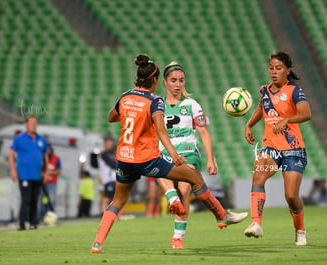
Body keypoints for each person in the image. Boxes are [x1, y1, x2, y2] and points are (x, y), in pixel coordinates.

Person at [91, 54, 247, 253]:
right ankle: (220, 214)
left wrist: (131, 113)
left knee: (118, 201)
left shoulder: (125, 96)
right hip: (147, 158)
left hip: (123, 158)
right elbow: (161, 130)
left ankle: (98, 243)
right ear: (156, 81)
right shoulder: (155, 101)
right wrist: (173, 154)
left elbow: (111, 117)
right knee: (194, 177)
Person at [243, 51, 311, 246]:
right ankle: (256, 223)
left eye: (278, 68)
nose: (273, 72)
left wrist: (287, 119)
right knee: (258, 176)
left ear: (288, 70)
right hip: (270, 147)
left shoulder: (294, 90)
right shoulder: (265, 90)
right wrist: (249, 125)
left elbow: (306, 113)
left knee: (291, 196)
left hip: (293, 149)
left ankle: (300, 230)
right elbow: (261, 107)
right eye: (271, 68)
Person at [156, 62, 218, 249]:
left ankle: (177, 237)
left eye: (181, 80)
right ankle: (172, 198)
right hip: (166, 152)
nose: (178, 84)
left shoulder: (192, 105)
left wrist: (211, 159)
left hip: (188, 153)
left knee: (185, 189)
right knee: (157, 169)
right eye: (173, 80)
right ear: (165, 82)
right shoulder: (157, 105)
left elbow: (204, 132)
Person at [9, 115, 49, 230]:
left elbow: (46, 156)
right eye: (31, 123)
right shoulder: (19, 139)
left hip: (37, 175)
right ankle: (21, 223)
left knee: (35, 199)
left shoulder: (41, 139)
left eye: (35, 123)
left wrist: (46, 172)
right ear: (26, 124)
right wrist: (13, 170)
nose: (33, 125)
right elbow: (11, 153)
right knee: (25, 199)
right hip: (24, 174)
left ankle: (33, 222)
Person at [39, 144, 61, 218]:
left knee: (51, 200)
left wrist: (49, 173)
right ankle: (37, 217)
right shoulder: (40, 158)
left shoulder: (56, 158)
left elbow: (58, 171)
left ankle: (50, 216)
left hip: (51, 183)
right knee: (39, 200)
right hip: (41, 182)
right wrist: (43, 174)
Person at [98, 137, 117, 214]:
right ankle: (103, 212)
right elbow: (112, 164)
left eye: (111, 144)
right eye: (109, 144)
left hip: (113, 179)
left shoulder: (112, 154)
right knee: (107, 197)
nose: (110, 146)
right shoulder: (103, 154)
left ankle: (110, 213)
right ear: (105, 144)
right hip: (108, 179)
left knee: (113, 197)